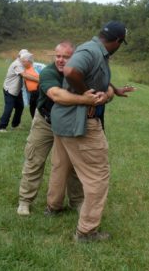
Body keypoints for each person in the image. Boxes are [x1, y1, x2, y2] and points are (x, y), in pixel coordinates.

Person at [45, 21, 135, 242]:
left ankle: (54, 206)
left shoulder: (93, 50)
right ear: (117, 41)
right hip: (81, 123)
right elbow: (71, 70)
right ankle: (86, 231)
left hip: (63, 122)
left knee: (61, 165)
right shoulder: (92, 50)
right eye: (121, 43)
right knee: (98, 176)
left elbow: (93, 74)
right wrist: (87, 94)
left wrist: (114, 89)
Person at [17, 41, 104, 216]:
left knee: (73, 164)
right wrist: (86, 100)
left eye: (66, 57)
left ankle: (77, 201)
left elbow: (100, 86)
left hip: (69, 124)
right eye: (58, 56)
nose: (60, 60)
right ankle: (25, 201)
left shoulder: (81, 72)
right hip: (46, 122)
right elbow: (57, 95)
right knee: (35, 159)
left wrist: (102, 94)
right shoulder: (49, 72)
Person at [0, 50, 39, 132]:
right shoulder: (17, 64)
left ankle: (15, 125)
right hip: (10, 90)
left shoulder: (23, 63)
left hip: (17, 89)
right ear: (20, 56)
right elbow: (25, 75)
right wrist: (39, 80)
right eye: (25, 57)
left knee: (20, 107)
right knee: (9, 108)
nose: (26, 59)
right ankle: (1, 127)